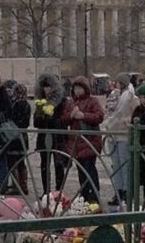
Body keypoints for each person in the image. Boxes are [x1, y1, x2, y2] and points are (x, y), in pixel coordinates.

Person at [61, 76, 105, 204]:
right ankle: (84, 194)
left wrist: (83, 116)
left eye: (80, 88)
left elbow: (99, 116)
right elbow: (63, 119)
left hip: (89, 140)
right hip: (76, 142)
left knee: (89, 168)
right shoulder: (71, 102)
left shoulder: (93, 101)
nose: (77, 91)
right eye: (75, 88)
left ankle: (93, 195)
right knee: (81, 170)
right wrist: (71, 115)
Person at [103, 72, 137, 206]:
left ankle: (127, 191)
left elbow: (135, 114)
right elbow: (109, 112)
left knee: (124, 165)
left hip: (124, 134)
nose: (115, 84)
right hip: (112, 134)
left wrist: (127, 121)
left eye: (117, 82)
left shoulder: (131, 97)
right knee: (116, 165)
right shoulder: (113, 96)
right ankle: (118, 191)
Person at [34, 73, 69, 194]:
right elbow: (35, 122)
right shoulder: (40, 101)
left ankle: (59, 191)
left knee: (59, 164)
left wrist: (52, 117)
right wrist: (41, 115)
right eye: (44, 87)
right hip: (43, 136)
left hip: (58, 137)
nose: (46, 89)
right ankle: (46, 192)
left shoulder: (61, 100)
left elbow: (64, 120)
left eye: (48, 86)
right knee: (44, 165)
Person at [4, 81, 32, 195]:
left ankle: (17, 185)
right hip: (22, 136)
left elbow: (13, 119)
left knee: (13, 161)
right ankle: (22, 185)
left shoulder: (15, 104)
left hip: (14, 136)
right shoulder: (26, 104)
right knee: (21, 162)